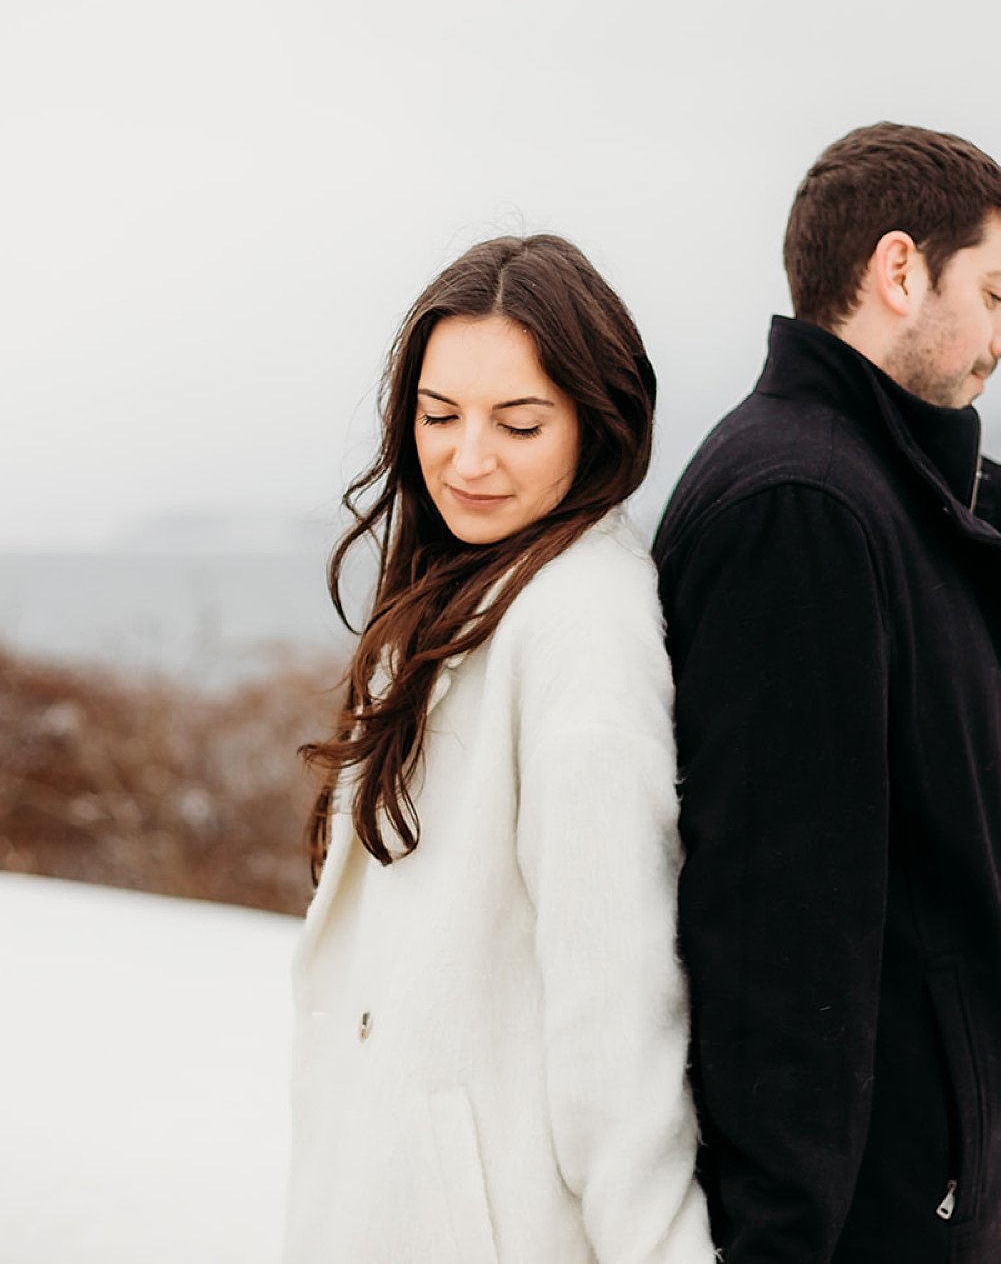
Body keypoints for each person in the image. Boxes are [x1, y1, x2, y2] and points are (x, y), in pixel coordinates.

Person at [653, 123, 1001, 1263]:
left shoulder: (884, 497)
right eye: (992, 291)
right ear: (899, 271)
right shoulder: (800, 509)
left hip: (945, 1201)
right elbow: (773, 942)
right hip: (877, 1224)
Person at [284, 235, 714, 1264]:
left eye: (518, 422)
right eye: (439, 416)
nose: (467, 459)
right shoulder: (465, 585)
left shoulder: (580, 624)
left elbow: (615, 999)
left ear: (594, 423)